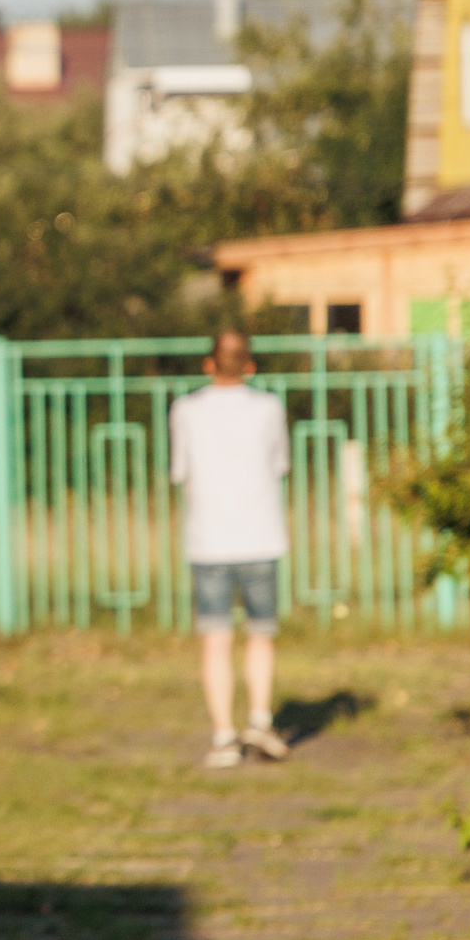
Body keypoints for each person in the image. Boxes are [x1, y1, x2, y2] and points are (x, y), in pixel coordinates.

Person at [169, 329, 293, 769]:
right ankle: (259, 720)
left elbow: (179, 470)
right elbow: (281, 463)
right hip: (262, 535)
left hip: (208, 541)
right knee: (260, 634)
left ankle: (224, 736)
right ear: (250, 367)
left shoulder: (185, 409)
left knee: (216, 638)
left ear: (208, 364)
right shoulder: (269, 407)